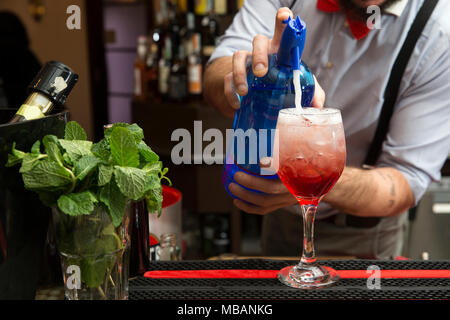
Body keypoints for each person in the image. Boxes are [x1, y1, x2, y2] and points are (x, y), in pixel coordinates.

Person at [203, 0, 450, 259]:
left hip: (361, 235)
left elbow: (405, 181)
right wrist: (247, 79)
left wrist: (314, 176)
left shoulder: (439, 32)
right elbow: (214, 76)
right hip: (280, 221)